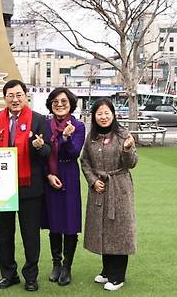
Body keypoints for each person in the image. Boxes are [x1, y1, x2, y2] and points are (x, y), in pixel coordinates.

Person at [0, 79, 51, 292]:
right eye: (10, 96)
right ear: (5, 98)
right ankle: (8, 274)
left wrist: (40, 147)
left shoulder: (39, 120)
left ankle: (31, 276)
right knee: (4, 234)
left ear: (26, 96)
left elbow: (47, 153)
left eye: (19, 95)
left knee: (30, 234)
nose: (15, 99)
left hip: (30, 185)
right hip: (3, 187)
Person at [80, 97, 137, 292]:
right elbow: (84, 161)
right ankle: (106, 270)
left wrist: (128, 149)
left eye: (107, 113)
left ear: (113, 114)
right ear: (94, 117)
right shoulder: (92, 137)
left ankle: (117, 275)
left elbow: (131, 164)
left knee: (119, 231)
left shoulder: (123, 135)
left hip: (119, 188)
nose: (103, 117)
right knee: (103, 229)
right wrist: (93, 180)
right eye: (99, 113)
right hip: (99, 188)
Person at [41, 88, 85, 286]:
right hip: (51, 176)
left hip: (68, 175)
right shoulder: (45, 125)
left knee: (69, 222)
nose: (59, 104)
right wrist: (48, 175)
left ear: (71, 104)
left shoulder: (78, 126)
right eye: (55, 101)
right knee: (54, 221)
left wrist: (66, 138)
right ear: (50, 104)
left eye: (64, 101)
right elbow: (40, 153)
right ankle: (56, 264)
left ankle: (67, 266)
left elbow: (75, 152)